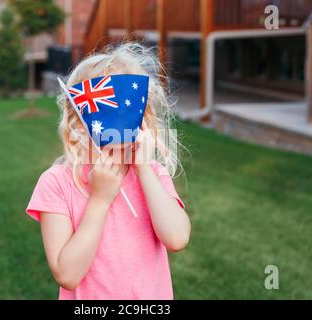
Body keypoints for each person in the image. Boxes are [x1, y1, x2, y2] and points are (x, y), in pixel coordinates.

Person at [26, 43, 191, 300]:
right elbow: (67, 275)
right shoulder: (56, 183)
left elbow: (177, 239)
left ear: (144, 114)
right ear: (78, 117)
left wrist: (144, 170)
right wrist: (99, 200)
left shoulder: (153, 174)